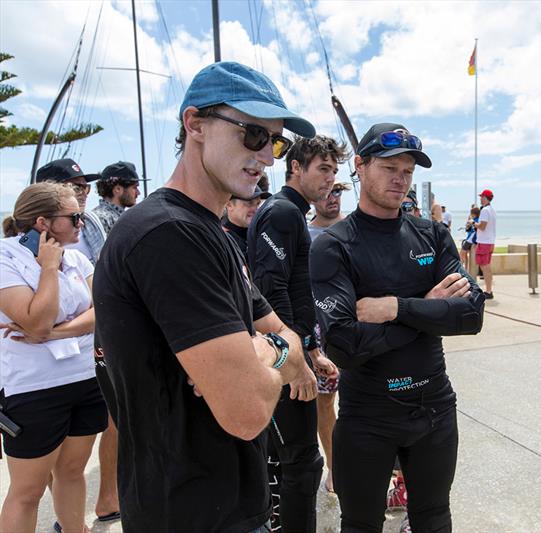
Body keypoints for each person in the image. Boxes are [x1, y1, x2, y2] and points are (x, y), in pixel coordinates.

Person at [92, 61, 311, 532]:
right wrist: (274, 353)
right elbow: (248, 410)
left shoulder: (208, 234)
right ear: (195, 124)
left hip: (224, 502)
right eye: (253, 135)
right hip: (189, 512)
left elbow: (286, 337)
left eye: (275, 142)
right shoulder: (168, 235)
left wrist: (264, 351)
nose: (267, 157)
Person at [310, 122, 485, 532]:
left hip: (434, 409)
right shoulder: (334, 245)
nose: (400, 178)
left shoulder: (432, 235)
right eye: (389, 166)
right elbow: (344, 345)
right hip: (367, 415)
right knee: (361, 524)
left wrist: (396, 308)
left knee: (434, 519)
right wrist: (428, 312)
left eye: (407, 171)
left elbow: (471, 315)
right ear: (360, 165)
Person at [247, 134, 345, 532]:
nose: (329, 179)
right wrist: (295, 359)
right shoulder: (283, 213)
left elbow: (296, 290)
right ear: (296, 168)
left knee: (292, 460)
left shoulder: (290, 212)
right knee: (302, 462)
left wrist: (312, 349)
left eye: (335, 171)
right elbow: (271, 293)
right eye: (322, 169)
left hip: (293, 349)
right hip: (284, 356)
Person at [0, 182, 108, 533]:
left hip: (83, 379)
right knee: (27, 491)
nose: (82, 223)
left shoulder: (76, 257)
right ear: (43, 223)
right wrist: (48, 268)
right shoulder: (5, 259)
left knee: (72, 473)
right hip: (32, 387)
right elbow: (37, 319)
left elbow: (101, 312)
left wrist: (55, 332)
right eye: (74, 216)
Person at [90, 160, 148, 524]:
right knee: (119, 421)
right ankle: (114, 497)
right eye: (133, 186)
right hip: (112, 332)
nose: (138, 192)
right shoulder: (102, 221)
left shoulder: (119, 218)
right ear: (117, 187)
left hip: (105, 331)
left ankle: (112, 497)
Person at [307, 180, 350, 493]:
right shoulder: (303, 235)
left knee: (368, 403)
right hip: (320, 333)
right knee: (326, 403)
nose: (332, 197)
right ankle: (335, 468)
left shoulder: (356, 229)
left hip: (358, 328)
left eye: (337, 191)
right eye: (325, 191)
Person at [35, 158, 106, 264]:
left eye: (86, 187)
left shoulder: (91, 220)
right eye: (76, 188)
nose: (85, 194)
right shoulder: (31, 238)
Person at [94, 161, 147, 235]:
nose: (138, 193)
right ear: (118, 189)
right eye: (134, 187)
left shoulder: (102, 217)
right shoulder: (102, 219)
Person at [222, 177, 270, 255]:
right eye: (249, 203)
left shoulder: (264, 233)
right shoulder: (222, 240)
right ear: (229, 204)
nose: (256, 209)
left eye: (258, 203)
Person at [476, 189, 496, 299]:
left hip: (484, 242)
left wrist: (473, 223)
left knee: (485, 267)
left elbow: (482, 226)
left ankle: (488, 291)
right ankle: (489, 290)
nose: (480, 198)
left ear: (485, 197)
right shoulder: (492, 210)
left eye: (481, 197)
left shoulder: (484, 210)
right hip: (490, 241)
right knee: (487, 267)